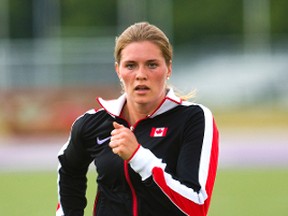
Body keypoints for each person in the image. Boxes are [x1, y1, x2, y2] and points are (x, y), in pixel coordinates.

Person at [56, 22, 219, 216]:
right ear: (118, 70)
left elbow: (196, 208)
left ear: (168, 68)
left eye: (152, 65)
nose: (141, 75)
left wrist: (138, 156)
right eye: (131, 65)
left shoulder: (193, 119)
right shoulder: (93, 123)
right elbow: (69, 170)